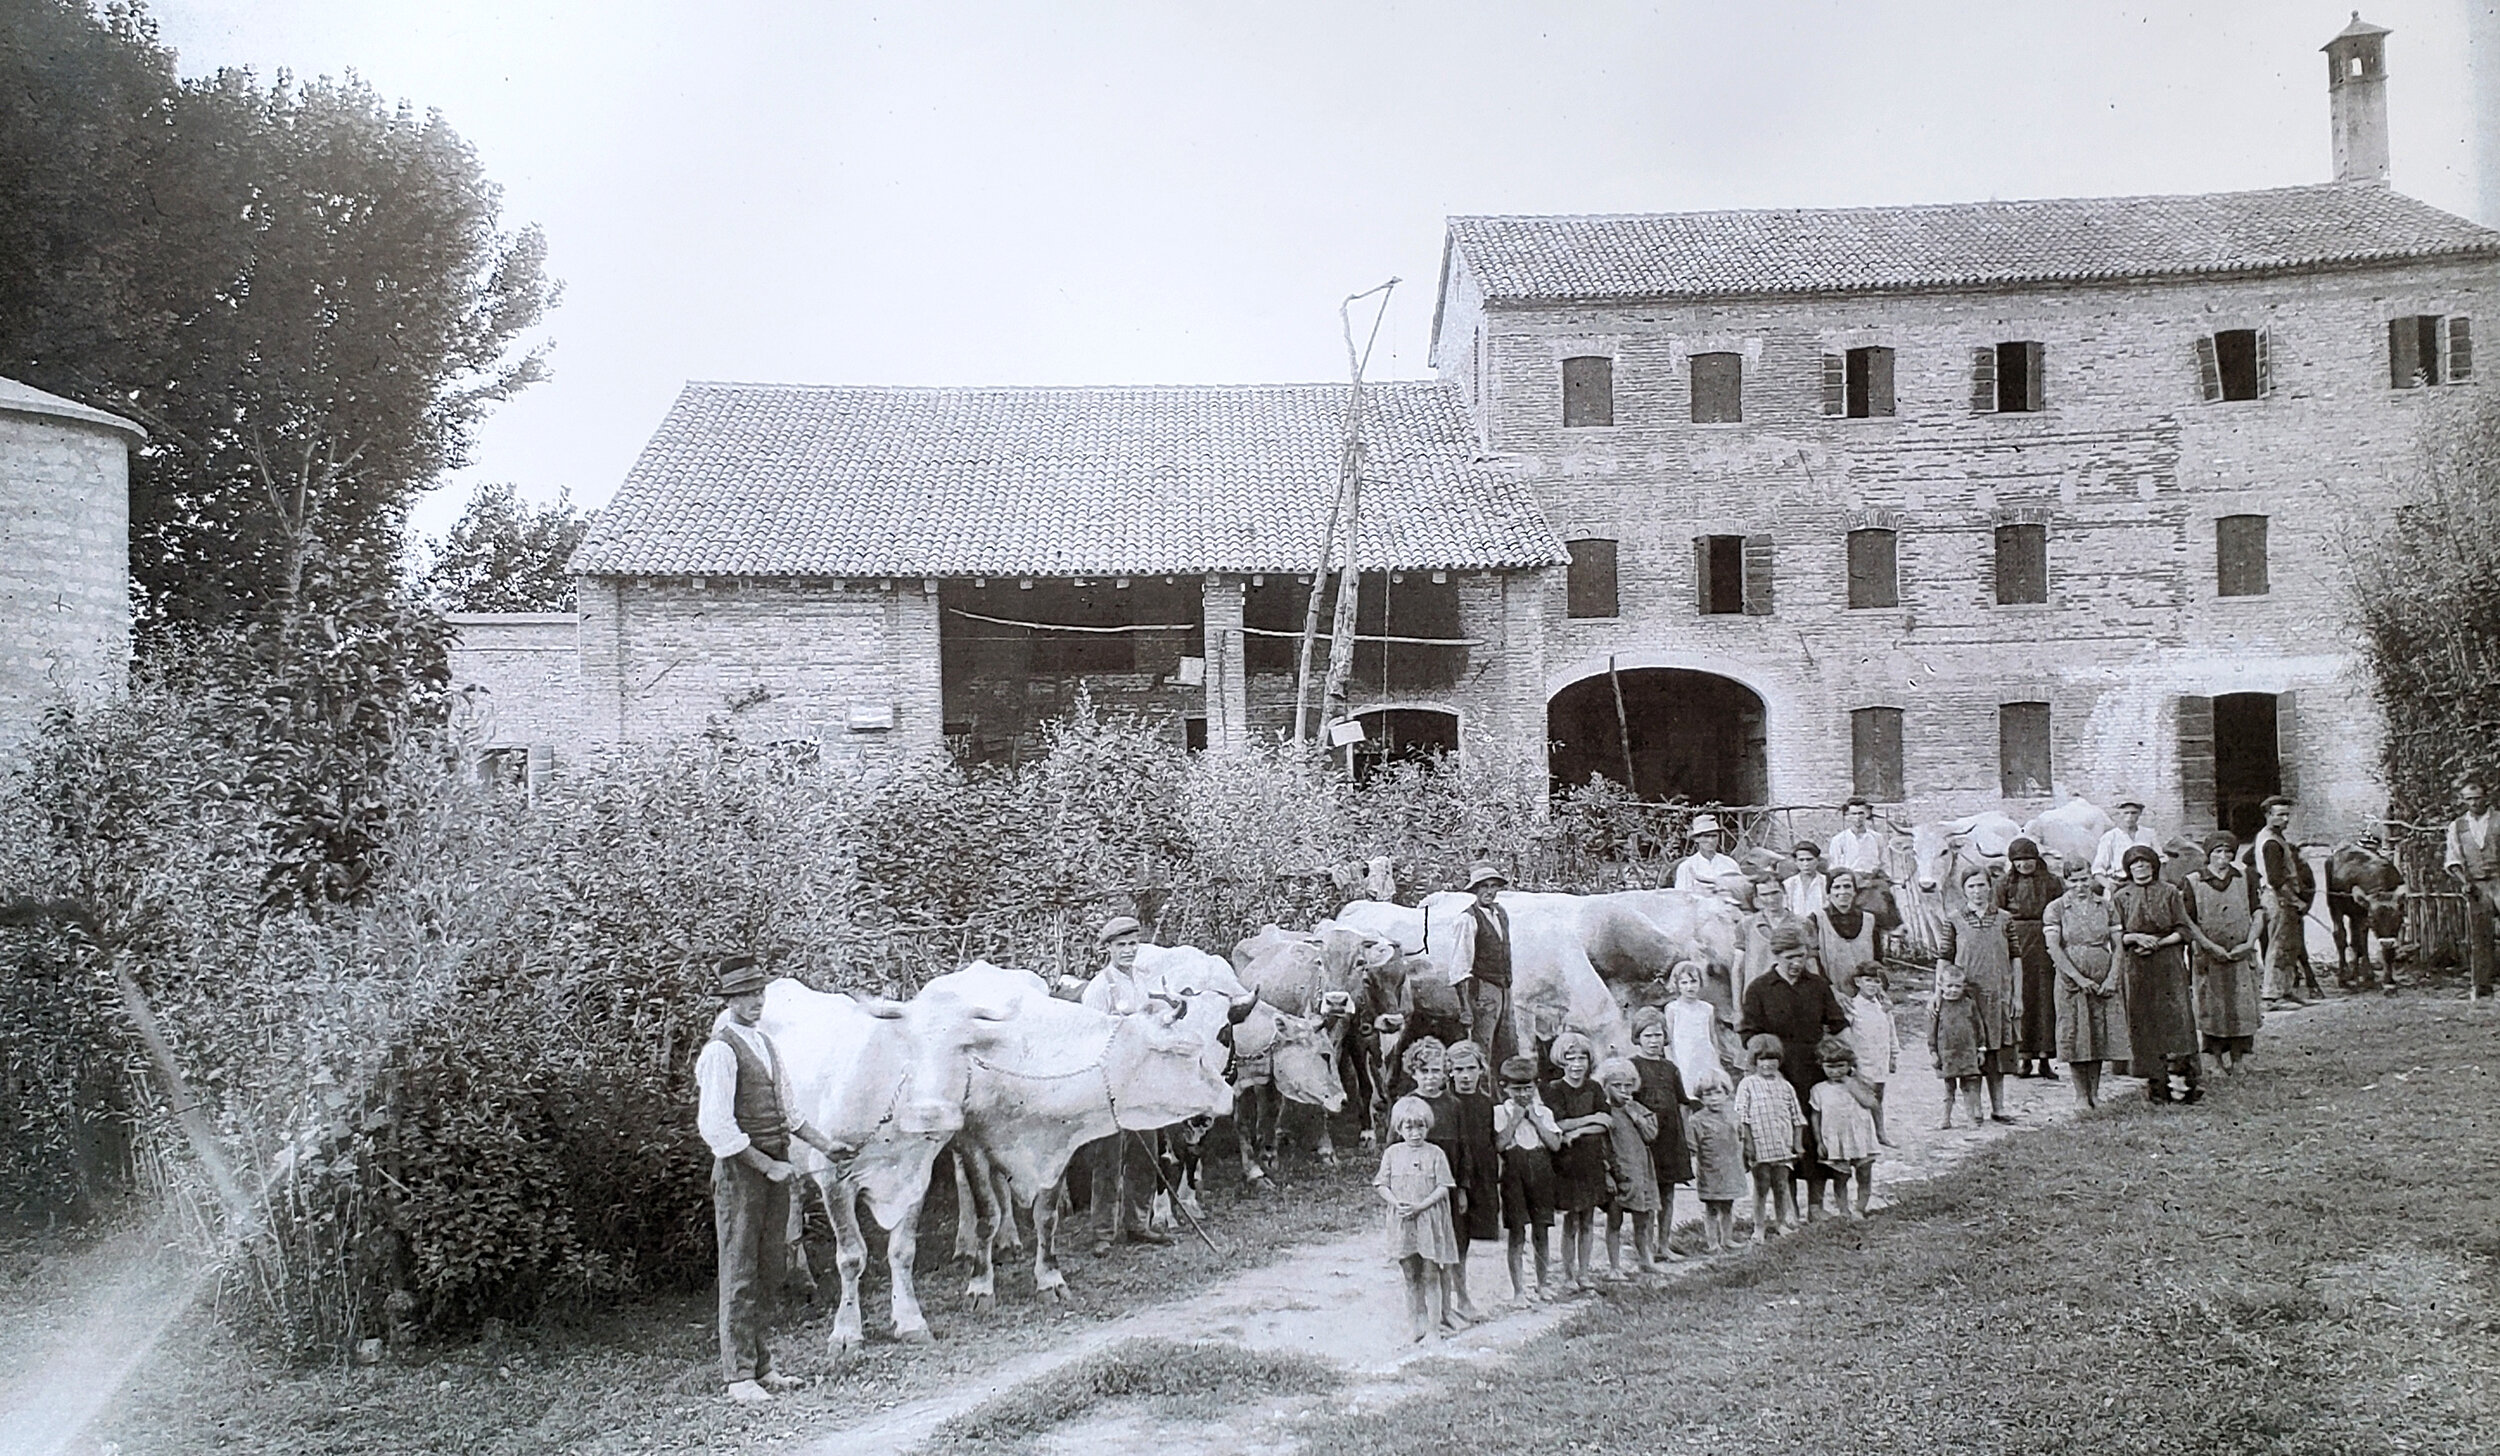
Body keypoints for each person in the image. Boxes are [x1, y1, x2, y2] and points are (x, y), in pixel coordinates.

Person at [695, 954, 851, 1404]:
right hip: (741, 1174)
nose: (754, 1001)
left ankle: (763, 1368)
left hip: (775, 1167)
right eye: (743, 995)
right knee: (740, 1270)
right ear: (728, 1001)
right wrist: (768, 1165)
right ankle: (738, 1376)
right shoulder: (720, 1051)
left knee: (769, 1270)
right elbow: (717, 1128)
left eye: (758, 992)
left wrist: (825, 1145)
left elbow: (790, 1111)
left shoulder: (765, 1043)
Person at [1738, 919, 1850, 1216]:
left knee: (1815, 1138)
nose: (1797, 963)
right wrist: (1763, 1066)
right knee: (1783, 1139)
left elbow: (1838, 1026)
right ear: (1776, 956)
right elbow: (1748, 1034)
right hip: (1777, 1075)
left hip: (1814, 1071)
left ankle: (1816, 1205)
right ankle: (1788, 1209)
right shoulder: (1760, 989)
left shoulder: (1818, 986)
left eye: (1802, 956)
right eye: (1790, 958)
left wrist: (1847, 1065)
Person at [1078, 916, 1174, 1255]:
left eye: (1133, 944)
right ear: (1108, 949)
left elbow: (1152, 1018)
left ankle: (1138, 1224)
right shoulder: (1099, 987)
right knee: (1108, 1158)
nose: (1128, 951)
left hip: (1142, 1082)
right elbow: (1090, 1039)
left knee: (1144, 1154)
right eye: (1121, 946)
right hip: (1110, 1085)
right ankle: (1103, 1232)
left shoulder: (1144, 980)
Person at [2113, 844, 2202, 1104]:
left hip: (2168, 962)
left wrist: (2159, 943)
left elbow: (2183, 928)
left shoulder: (2170, 892)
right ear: (2128, 869)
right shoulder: (2121, 896)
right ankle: (2155, 1082)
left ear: (2154, 865)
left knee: (2175, 1018)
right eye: (2135, 865)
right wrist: (2136, 938)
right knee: (2144, 1018)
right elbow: (2115, 933)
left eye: (2145, 863)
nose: (2140, 868)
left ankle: (2183, 1080)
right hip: (2136, 964)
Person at [1375, 1096, 1460, 1344]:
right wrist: (1396, 1202)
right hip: (1403, 1221)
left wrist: (1420, 1206)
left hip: (1428, 1219)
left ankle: (1434, 1329)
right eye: (1408, 1127)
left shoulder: (1435, 1153)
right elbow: (1381, 1184)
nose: (1415, 1133)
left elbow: (1444, 1186)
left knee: (1430, 1273)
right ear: (1399, 1128)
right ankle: (1417, 1325)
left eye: (1420, 1126)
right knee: (1410, 1275)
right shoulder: (1392, 1153)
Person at [1935, 869, 2017, 1124]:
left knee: (1996, 1052)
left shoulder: (2004, 919)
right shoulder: (1954, 919)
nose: (1977, 891)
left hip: (1997, 995)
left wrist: (2017, 995)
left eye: (1982, 885)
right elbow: (1944, 958)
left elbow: (2016, 957)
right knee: (1972, 1051)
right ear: (1964, 890)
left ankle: (1999, 1107)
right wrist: (1937, 992)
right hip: (1966, 996)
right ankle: (1975, 1109)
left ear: (1990, 887)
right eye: (1971, 887)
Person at [2042, 871, 2129, 1110]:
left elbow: (2118, 945)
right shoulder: (2057, 908)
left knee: (2098, 1031)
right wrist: (2078, 978)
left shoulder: (2106, 906)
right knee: (2076, 1032)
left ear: (2091, 879)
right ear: (2066, 881)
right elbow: (2053, 947)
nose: (2080, 886)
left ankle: (2095, 1093)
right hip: (2071, 976)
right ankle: (2080, 1095)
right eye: (2073, 881)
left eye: (2084, 880)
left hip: (2102, 970)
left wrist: (2113, 976)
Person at [2183, 832, 2263, 1075]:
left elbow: (2258, 911)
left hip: (2240, 953)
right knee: (2212, 1007)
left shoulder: (2244, 877)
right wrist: (2208, 945)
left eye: (2228, 852)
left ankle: (2238, 1059)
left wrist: (2249, 943)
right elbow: (2187, 920)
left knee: (2242, 1006)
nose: (2223, 857)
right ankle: (2216, 1061)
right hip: (2209, 956)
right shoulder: (2194, 881)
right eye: (2218, 852)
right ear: (2208, 855)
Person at [1542, 1031, 1612, 1293]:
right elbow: (1559, 1124)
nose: (1577, 1064)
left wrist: (1581, 1130)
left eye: (1582, 1057)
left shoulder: (1594, 1088)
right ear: (1562, 1060)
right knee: (1571, 1220)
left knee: (1588, 1220)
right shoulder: (1554, 1089)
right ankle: (1568, 1274)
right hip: (1568, 1162)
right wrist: (1590, 1119)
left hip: (1591, 1159)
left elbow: (1606, 1123)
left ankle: (1585, 1272)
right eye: (1571, 1058)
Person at [1995, 838, 2066, 1080]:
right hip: (2017, 943)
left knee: (2046, 1000)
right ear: (2012, 862)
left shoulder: (2053, 882)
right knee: (2022, 998)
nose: (2025, 864)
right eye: (2019, 860)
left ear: (2037, 859)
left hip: (2046, 942)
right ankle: (2023, 1058)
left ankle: (2046, 1059)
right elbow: (1997, 916)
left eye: (2029, 859)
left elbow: (2062, 912)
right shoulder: (2004, 884)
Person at [1493, 1055, 1561, 1302]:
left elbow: (1555, 1144)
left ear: (1536, 1085)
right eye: (1517, 1089)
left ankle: (1543, 1284)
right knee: (1517, 1233)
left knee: (1541, 1230)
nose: (1523, 1094)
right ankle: (1519, 1290)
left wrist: (1535, 1119)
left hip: (1541, 1173)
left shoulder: (1544, 1112)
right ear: (1505, 1088)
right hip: (1515, 1176)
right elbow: (1500, 1144)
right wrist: (1515, 1119)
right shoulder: (1500, 1112)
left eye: (1528, 1088)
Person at [1443, 1039, 1501, 1320]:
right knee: (1454, 1238)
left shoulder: (1487, 1102)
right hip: (1454, 1177)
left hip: (1482, 1176)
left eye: (1471, 1068)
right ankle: (1460, 1299)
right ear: (1449, 1072)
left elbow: (1493, 1141)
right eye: (1459, 1069)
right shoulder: (1447, 1103)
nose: (1465, 1076)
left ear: (1481, 1070)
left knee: (1466, 1239)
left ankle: (1460, 1295)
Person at [1628, 1008, 1692, 1265]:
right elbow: (1627, 1101)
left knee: (1667, 1193)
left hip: (1670, 1137)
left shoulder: (1670, 1068)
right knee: (1646, 1196)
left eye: (1658, 1035)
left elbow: (1683, 1102)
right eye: (1648, 1036)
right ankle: (1643, 1249)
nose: (1654, 1041)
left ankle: (1663, 1245)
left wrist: (1685, 1135)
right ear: (1637, 1037)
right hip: (1645, 1140)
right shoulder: (1632, 1066)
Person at [1730, 1034, 1805, 1242]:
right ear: (1755, 1061)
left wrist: (1797, 1143)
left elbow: (1797, 1117)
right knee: (1761, 1185)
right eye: (1763, 1059)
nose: (1768, 1064)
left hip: (1782, 1144)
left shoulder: (1785, 1086)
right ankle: (1759, 1227)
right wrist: (1748, 1145)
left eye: (1772, 1059)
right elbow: (1742, 1117)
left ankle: (1781, 1223)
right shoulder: (1748, 1084)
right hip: (1759, 1144)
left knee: (1781, 1185)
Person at [1443, 864, 1519, 1066]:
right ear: (1475, 890)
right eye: (1484, 886)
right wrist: (1466, 1009)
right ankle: (1482, 1093)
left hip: (1504, 988)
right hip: (1483, 991)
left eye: (1494, 886)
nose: (1489, 891)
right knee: (1482, 1047)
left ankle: (1502, 1091)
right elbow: (1460, 967)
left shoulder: (1500, 913)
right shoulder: (1467, 919)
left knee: (1507, 1043)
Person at [2251, 795, 2321, 1008]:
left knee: (2290, 946)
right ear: (2268, 816)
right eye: (2280, 815)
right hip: (2278, 899)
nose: (2285, 819)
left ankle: (2287, 990)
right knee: (2279, 946)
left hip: (2285, 898)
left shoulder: (2276, 837)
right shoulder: (2270, 842)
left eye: (2287, 815)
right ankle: (2272, 996)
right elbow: (2275, 879)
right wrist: (2296, 901)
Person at [1595, 1057, 1661, 1275]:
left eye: (1627, 1086)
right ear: (1605, 1086)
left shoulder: (1638, 1109)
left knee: (1643, 1219)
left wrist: (1636, 1116)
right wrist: (1607, 1174)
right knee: (1615, 1220)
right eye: (1616, 1086)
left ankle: (1646, 1259)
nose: (1623, 1090)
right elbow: (1601, 1145)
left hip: (1640, 1171)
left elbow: (1651, 1135)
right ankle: (1614, 1267)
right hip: (1619, 1172)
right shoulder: (1604, 1112)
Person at [1809, 1038, 1880, 1220]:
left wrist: (1850, 1081)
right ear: (1821, 1066)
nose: (1835, 1072)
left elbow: (1870, 1103)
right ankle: (1844, 1211)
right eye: (1829, 1067)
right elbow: (1815, 1116)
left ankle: (1860, 1209)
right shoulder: (1819, 1089)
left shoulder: (1858, 1083)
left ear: (1850, 1064)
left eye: (1841, 1066)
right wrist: (1819, 1141)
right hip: (1835, 1139)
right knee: (1840, 1177)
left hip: (1860, 1136)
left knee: (1864, 1174)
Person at [2444, 775, 2500, 1002]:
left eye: (2478, 798)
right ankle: (2481, 987)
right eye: (2469, 799)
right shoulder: (2457, 826)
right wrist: (2464, 881)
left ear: (2486, 797)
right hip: (2476, 885)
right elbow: (2453, 858)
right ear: (2463, 800)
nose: (2475, 803)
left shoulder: (2498, 820)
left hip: (2499, 880)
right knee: (2480, 937)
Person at [1686, 1082, 1746, 1254]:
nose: (1714, 1098)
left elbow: (1740, 1136)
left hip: (1731, 1166)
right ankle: (1712, 1243)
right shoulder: (1696, 1120)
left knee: (1728, 1204)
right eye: (1708, 1094)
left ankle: (1727, 1239)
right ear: (1701, 1097)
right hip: (1710, 1168)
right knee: (1712, 1207)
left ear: (1726, 1094)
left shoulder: (1733, 1116)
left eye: (1718, 1093)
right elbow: (1693, 1146)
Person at [1844, 963, 1901, 1145]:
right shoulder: (1852, 1007)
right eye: (1868, 980)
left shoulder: (1883, 1007)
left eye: (1876, 981)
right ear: (1858, 982)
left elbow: (1891, 1031)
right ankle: (1861, 1136)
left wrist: (1893, 1055)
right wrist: (1851, 1062)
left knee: (1878, 1097)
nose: (1872, 985)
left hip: (1879, 1058)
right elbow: (1846, 1035)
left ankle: (1880, 1133)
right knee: (1862, 1098)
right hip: (1861, 1060)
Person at [1927, 967, 1985, 1129]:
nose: (1953, 990)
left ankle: (1971, 1119)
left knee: (1969, 1087)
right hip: (1947, 1054)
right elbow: (1931, 1032)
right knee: (1948, 1088)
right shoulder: (1939, 1006)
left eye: (1958, 986)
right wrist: (1933, 1052)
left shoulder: (1969, 1004)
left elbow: (1978, 1027)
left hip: (1967, 1053)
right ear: (1941, 985)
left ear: (1964, 986)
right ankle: (1945, 1118)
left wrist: (1981, 1049)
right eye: (1950, 985)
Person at [1811, 870, 1881, 1000]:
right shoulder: (1817, 920)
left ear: (1855, 891)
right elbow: (1813, 962)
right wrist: (1830, 991)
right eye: (1837, 887)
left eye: (1847, 886)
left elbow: (1877, 959)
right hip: (1831, 994)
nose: (1843, 892)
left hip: (1865, 995)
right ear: (1828, 892)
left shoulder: (1869, 919)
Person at [1664, 960, 1732, 1095]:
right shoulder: (1672, 1008)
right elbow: (1669, 1038)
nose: (1690, 987)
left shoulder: (1707, 1008)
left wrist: (1716, 1059)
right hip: (1684, 1057)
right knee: (1686, 1093)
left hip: (1704, 1056)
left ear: (1700, 982)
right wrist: (1671, 1061)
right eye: (1684, 983)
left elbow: (1712, 1036)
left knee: (1707, 1089)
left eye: (1693, 981)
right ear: (1677, 985)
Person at [2091, 794, 2164, 883]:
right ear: (2119, 814)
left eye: (2133, 813)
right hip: (2120, 881)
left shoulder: (2149, 833)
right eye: (2126, 813)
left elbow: (2161, 859)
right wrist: (2109, 886)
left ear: (2140, 813)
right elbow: (2097, 869)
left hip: (2146, 879)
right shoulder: (2109, 837)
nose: (2130, 817)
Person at [1672, 813, 1742, 895]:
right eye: (1706, 836)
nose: (1711, 840)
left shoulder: (1730, 864)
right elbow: (1681, 898)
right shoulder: (1687, 867)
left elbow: (1740, 892)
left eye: (1714, 836)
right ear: (1696, 839)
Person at [1826, 797, 1887, 880]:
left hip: (1872, 879)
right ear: (1848, 816)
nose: (1858, 817)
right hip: (1849, 879)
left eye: (1861, 813)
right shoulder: (1839, 839)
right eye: (1854, 814)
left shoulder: (1877, 837)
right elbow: (1835, 864)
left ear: (1867, 814)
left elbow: (1884, 862)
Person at [1783, 843, 1830, 929]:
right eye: (1801, 860)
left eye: (1809, 859)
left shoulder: (1826, 882)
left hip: (1822, 927)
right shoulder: (1788, 884)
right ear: (1796, 862)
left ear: (1817, 860)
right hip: (1796, 928)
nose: (1806, 864)